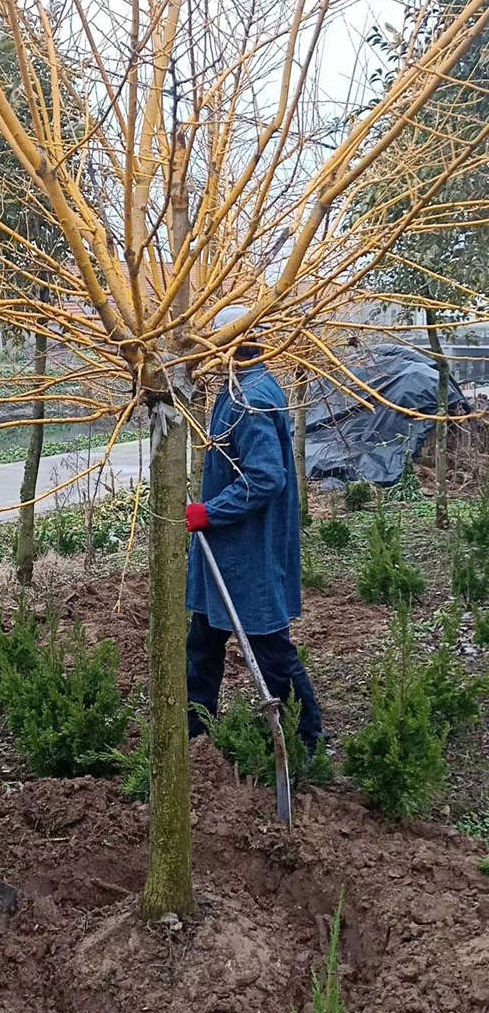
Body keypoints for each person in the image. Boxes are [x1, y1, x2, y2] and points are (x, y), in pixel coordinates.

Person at [185, 307, 322, 753]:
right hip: (224, 554)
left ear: (233, 344)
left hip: (247, 554)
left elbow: (266, 476)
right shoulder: (235, 388)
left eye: (213, 342)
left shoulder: (252, 398)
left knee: (271, 651)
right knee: (203, 644)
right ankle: (196, 737)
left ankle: (306, 740)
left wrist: (210, 511)